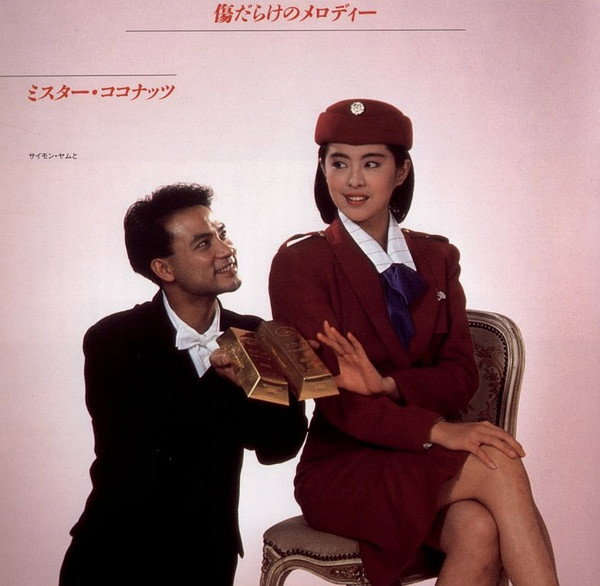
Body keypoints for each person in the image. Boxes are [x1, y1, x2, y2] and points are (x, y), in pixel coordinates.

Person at [269, 99, 558, 586]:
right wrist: (438, 431)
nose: (353, 180)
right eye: (338, 163)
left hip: (419, 458)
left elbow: (460, 374)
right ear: (322, 169)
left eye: (371, 163)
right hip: (346, 465)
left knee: (479, 528)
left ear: (400, 171)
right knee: (500, 464)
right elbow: (337, 401)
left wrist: (389, 384)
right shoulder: (301, 263)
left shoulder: (437, 256)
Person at [59, 183, 307, 586]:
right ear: (164, 269)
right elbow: (143, 452)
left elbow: (279, 447)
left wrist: (259, 384)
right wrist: (224, 384)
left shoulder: (257, 334)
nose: (226, 250)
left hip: (208, 558)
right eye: (204, 244)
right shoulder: (112, 339)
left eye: (222, 234)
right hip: (116, 554)